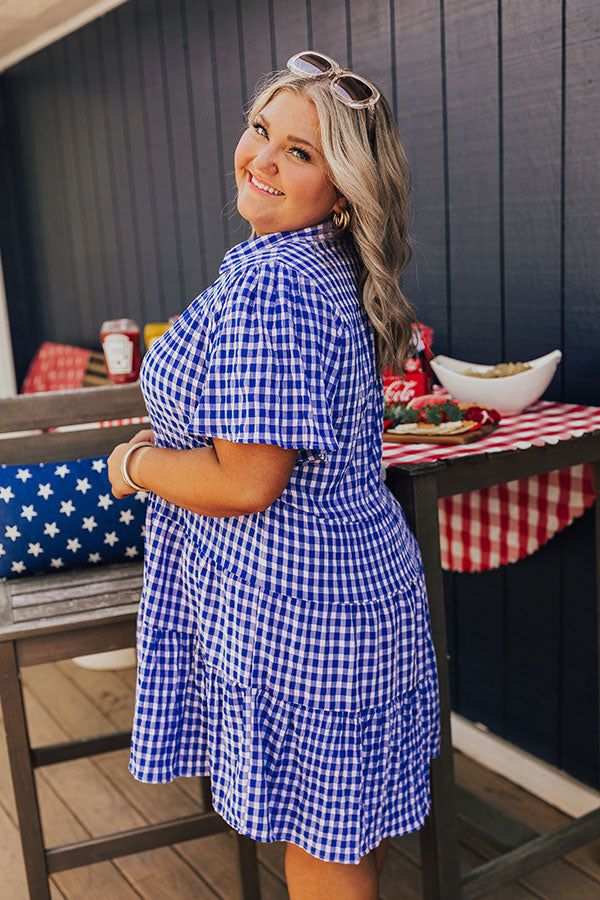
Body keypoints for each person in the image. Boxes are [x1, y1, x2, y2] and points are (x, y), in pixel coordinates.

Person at [108, 50, 440, 900]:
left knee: (318, 856)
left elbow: (246, 483)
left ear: (346, 186)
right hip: (347, 596)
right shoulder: (325, 266)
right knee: (339, 843)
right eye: (262, 129)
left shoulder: (271, 283)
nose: (261, 157)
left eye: (301, 151)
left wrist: (136, 464)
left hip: (297, 614)